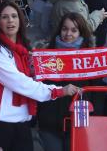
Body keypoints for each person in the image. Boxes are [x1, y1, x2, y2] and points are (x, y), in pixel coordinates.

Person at [0, 1, 80, 151]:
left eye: (14, 16)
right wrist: (58, 91)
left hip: (22, 119)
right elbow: (20, 83)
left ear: (20, 20)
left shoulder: (24, 49)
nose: (10, 21)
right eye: (5, 17)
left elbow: (34, 75)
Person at [37, 13, 94, 151]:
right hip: (49, 122)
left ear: (81, 32)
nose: (68, 34)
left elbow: (96, 92)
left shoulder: (91, 57)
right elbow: (38, 87)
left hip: (78, 121)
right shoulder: (45, 55)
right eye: (64, 29)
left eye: (74, 30)